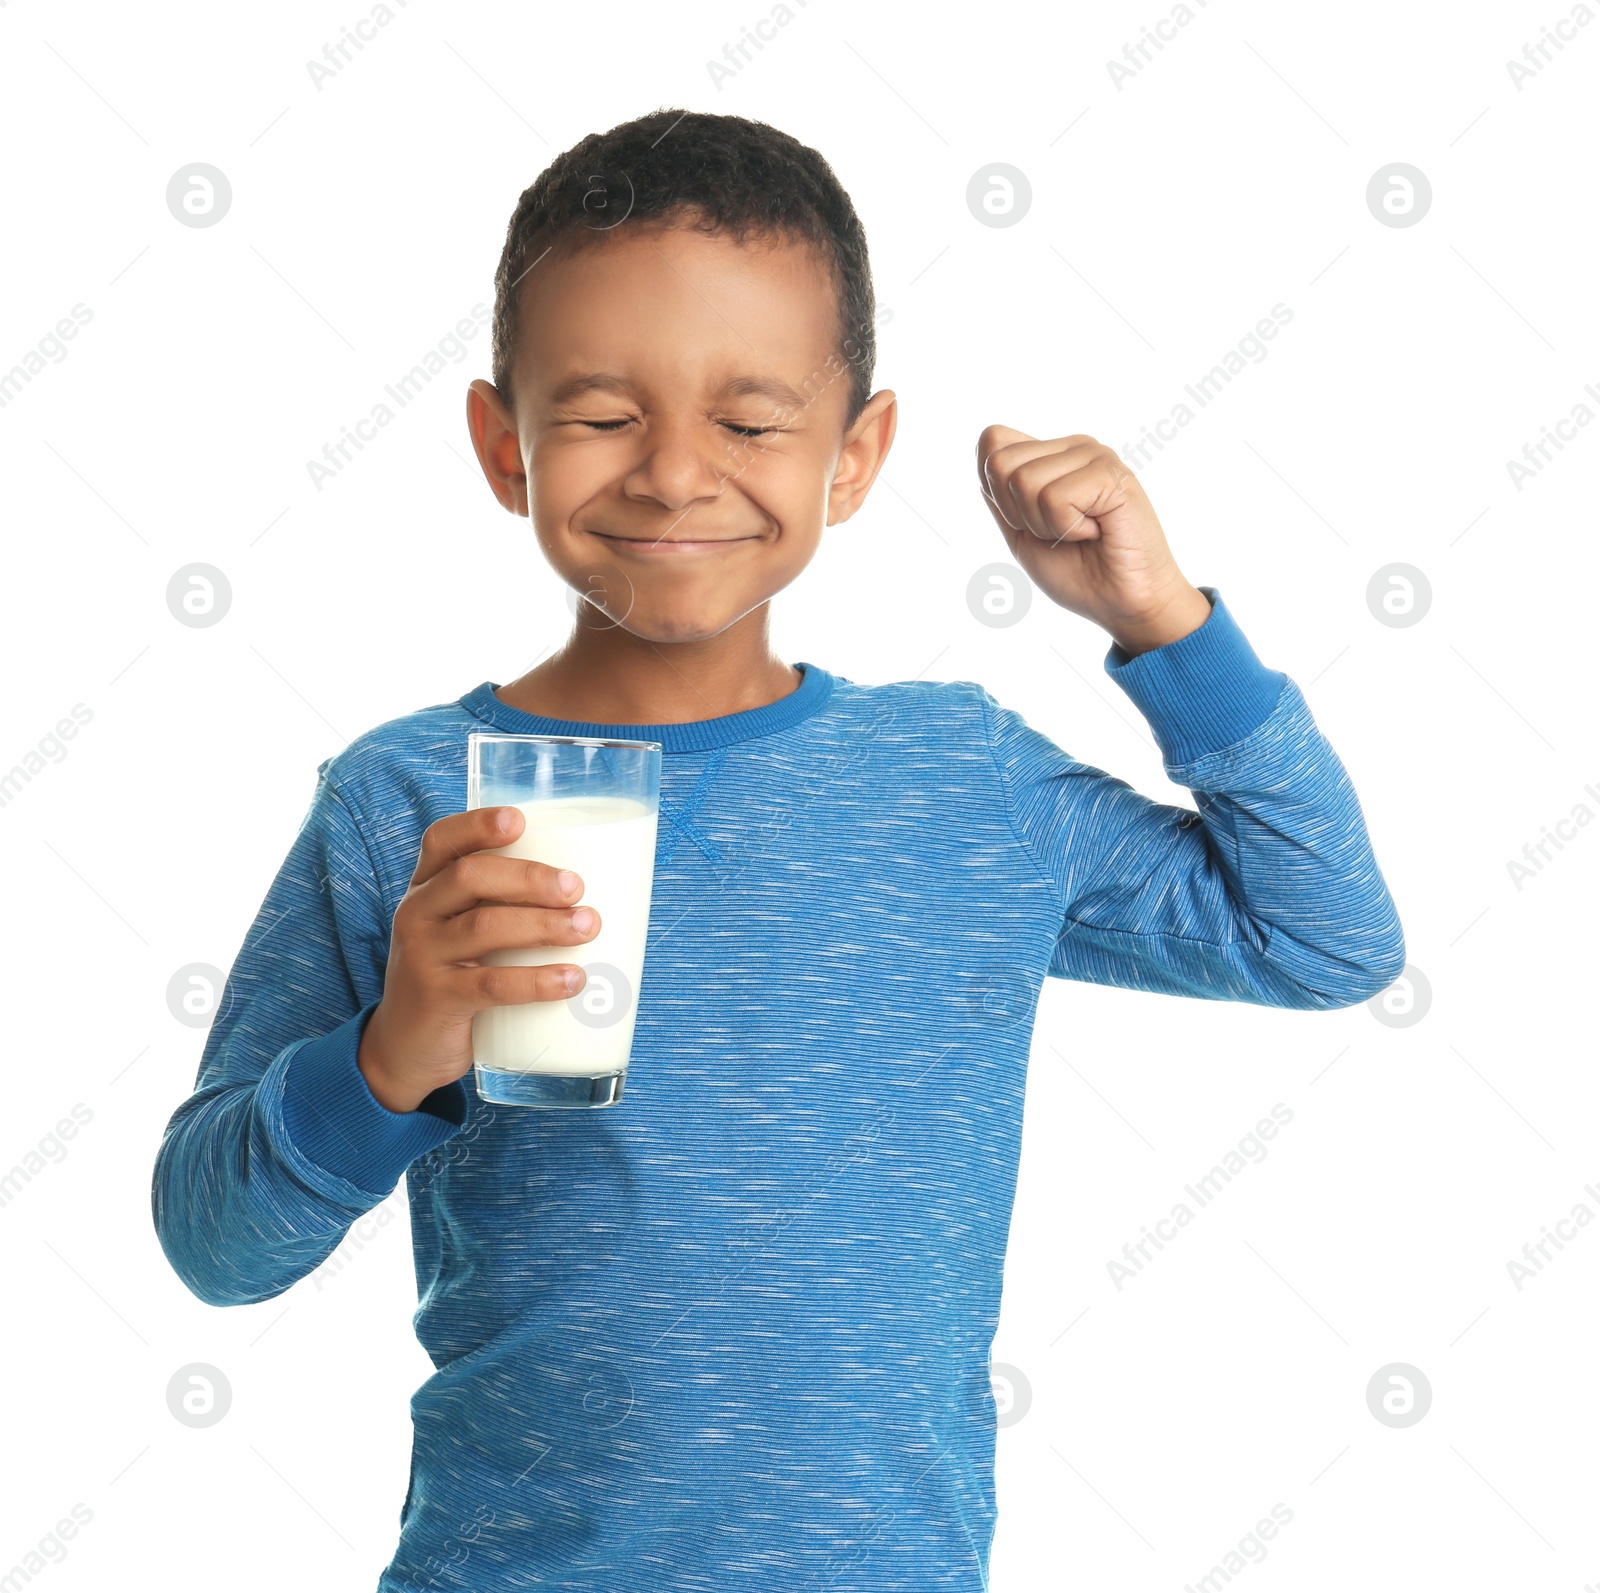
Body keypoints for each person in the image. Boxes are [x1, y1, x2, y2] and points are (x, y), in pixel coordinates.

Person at [152, 108, 1405, 1591]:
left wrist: (1168, 627)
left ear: (857, 454)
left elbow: (1323, 938)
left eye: (750, 422)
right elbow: (215, 1244)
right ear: (505, 444)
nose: (677, 474)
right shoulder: (406, 799)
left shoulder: (957, 777)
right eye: (605, 415)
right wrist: (391, 1051)